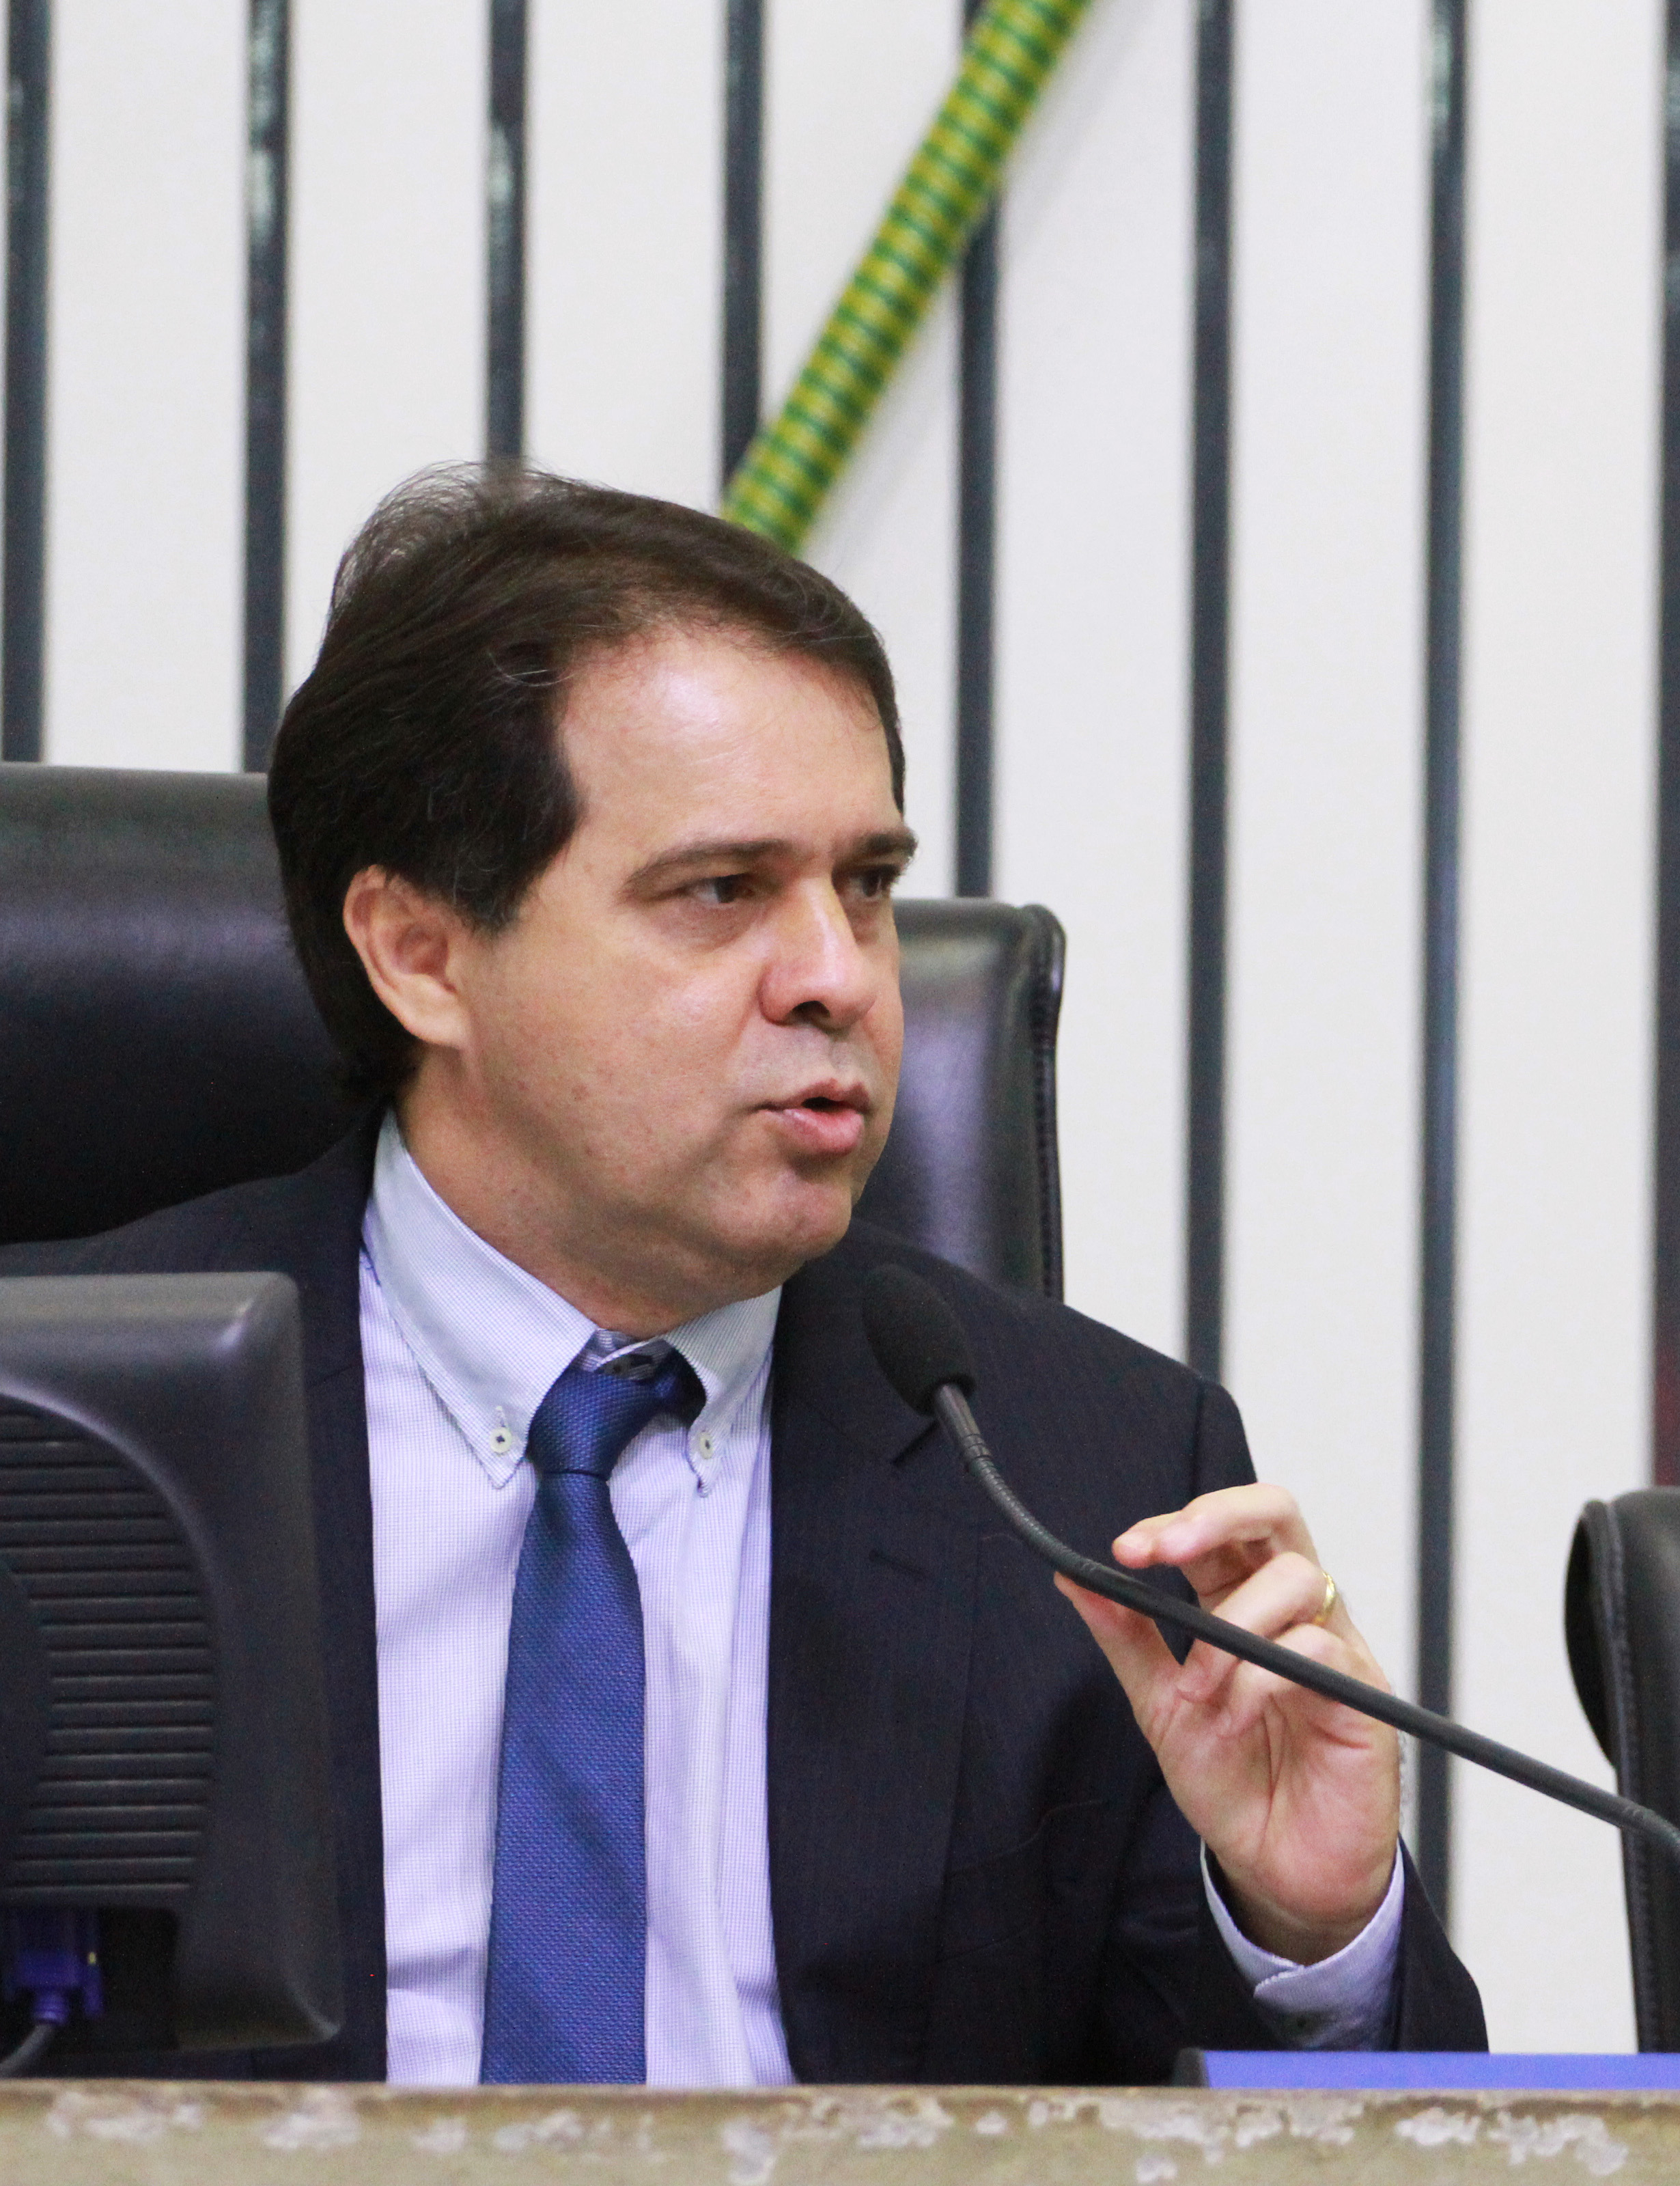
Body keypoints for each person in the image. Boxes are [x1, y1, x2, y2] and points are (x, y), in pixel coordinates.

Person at [0, 467, 1481, 2083]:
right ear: (422, 953)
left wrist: (1311, 1938)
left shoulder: (1082, 1478)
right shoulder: (46, 1433)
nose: (840, 977)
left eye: (867, 885)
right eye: (722, 892)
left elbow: (1304, 2140)